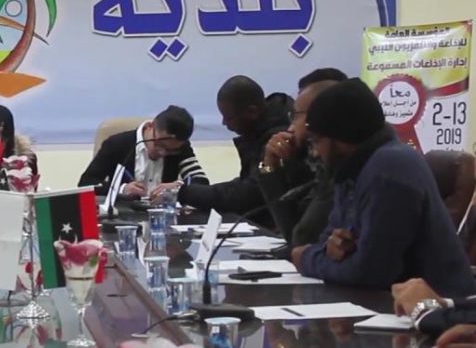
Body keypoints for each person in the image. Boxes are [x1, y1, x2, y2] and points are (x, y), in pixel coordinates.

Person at [292, 79, 475, 297]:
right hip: (385, 301)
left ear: (340, 138)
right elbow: (327, 240)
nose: (315, 152)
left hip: (436, 309)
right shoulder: (351, 168)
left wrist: (306, 258)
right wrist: (328, 250)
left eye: (316, 141)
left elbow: (370, 273)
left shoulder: (389, 169)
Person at [257, 68, 348, 251]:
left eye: (296, 116)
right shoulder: (305, 157)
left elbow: (300, 238)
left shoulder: (345, 169)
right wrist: (269, 166)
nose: (290, 128)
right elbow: (294, 231)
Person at [178, 76, 290, 220]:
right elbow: (250, 181)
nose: (224, 123)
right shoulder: (258, 133)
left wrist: (184, 192)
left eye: (229, 117)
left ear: (252, 112)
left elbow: (250, 194)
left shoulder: (277, 139)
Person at [77, 105, 208, 198]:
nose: (163, 153)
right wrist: (122, 189)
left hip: (164, 216)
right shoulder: (117, 144)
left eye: (170, 151)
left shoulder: (181, 147)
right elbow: (86, 182)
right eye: (160, 145)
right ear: (151, 126)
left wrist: (178, 187)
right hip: (125, 216)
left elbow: (201, 181)